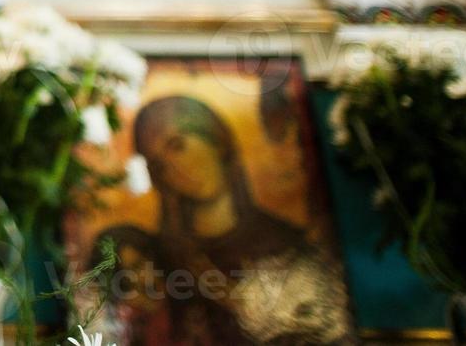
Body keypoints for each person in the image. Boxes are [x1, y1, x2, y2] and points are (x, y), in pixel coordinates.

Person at [131, 97, 350, 344]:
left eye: (178, 145)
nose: (175, 168)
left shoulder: (286, 243)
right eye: (160, 166)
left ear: (216, 140)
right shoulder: (165, 259)